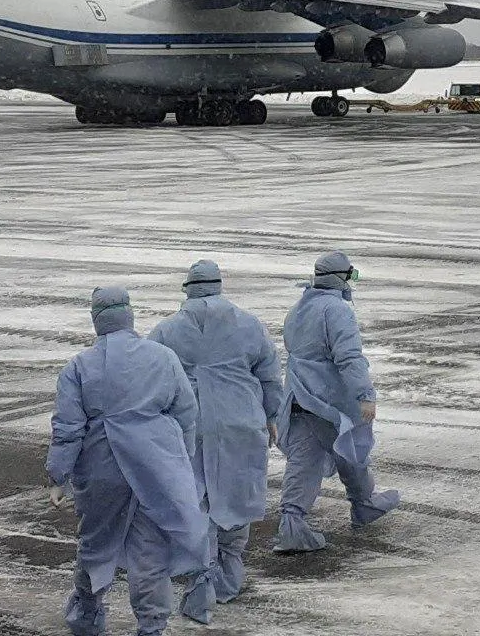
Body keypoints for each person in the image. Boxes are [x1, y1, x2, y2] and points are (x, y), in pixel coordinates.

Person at [47, 286, 209, 636]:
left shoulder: (79, 366)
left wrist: (58, 476)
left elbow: (68, 427)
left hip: (102, 467)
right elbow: (186, 411)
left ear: (96, 320)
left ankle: (87, 614)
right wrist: (178, 458)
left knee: (96, 542)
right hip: (155, 466)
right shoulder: (162, 357)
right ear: (129, 314)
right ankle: (152, 625)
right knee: (150, 550)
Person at [148, 260, 283, 623]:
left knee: (199, 501)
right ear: (220, 286)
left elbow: (150, 378)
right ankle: (230, 574)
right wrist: (272, 416)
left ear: (188, 289)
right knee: (238, 494)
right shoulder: (249, 324)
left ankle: (201, 581)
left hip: (190, 426)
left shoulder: (166, 330)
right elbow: (270, 374)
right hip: (241, 420)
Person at [273, 251, 399, 553]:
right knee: (351, 452)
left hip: (300, 396)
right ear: (341, 277)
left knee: (305, 462)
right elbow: (349, 357)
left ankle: (292, 521)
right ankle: (363, 505)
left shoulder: (299, 307)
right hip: (332, 399)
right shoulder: (337, 310)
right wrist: (364, 396)